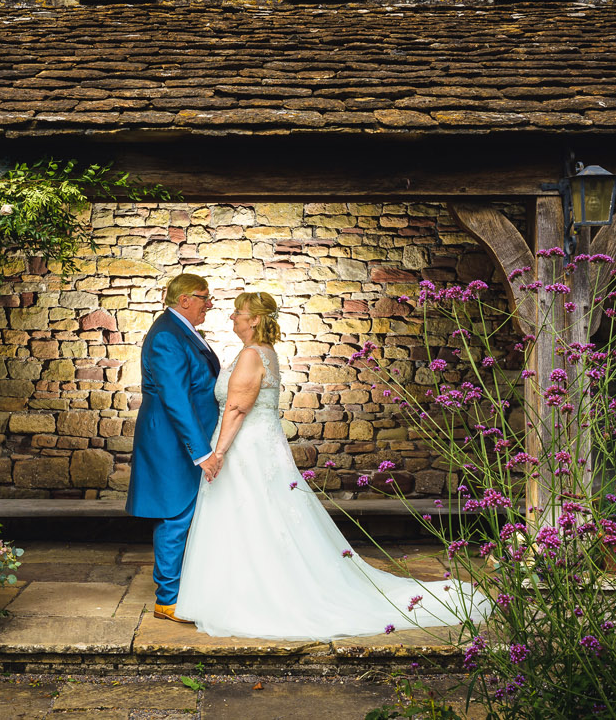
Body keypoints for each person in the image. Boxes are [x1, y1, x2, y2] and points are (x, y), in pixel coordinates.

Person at [175, 291, 494, 640]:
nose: (232, 317)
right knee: (257, 514)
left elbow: (237, 409)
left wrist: (217, 454)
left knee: (249, 512)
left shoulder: (253, 354)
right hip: (257, 444)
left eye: (238, 313)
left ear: (254, 320)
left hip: (245, 447)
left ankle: (254, 594)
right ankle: (242, 588)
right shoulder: (261, 353)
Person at [125, 273, 222, 623]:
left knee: (186, 513)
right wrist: (202, 451)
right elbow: (176, 399)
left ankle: (183, 589)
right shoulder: (167, 335)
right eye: (204, 297)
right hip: (171, 440)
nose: (209, 303)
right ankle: (168, 600)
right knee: (175, 514)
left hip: (182, 437)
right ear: (184, 300)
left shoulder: (179, 329)